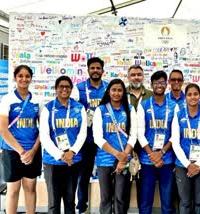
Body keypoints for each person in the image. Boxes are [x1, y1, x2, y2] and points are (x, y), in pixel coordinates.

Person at [40, 75, 87, 213]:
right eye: (61, 86)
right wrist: (61, 155)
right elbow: (44, 135)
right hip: (52, 161)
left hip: (73, 160)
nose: (64, 89)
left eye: (67, 86)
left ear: (72, 89)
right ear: (56, 89)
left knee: (70, 200)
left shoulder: (79, 108)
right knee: (53, 202)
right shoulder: (48, 108)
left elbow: (82, 133)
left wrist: (71, 153)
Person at [0, 65, 42, 214]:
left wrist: (33, 151)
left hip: (33, 151)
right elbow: (3, 129)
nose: (24, 79)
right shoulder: (7, 99)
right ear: (15, 78)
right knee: (13, 190)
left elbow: (43, 129)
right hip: (12, 151)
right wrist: (22, 152)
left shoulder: (37, 100)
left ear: (31, 78)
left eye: (27, 76)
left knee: (30, 189)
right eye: (20, 76)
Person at [93, 79, 137, 214]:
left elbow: (133, 135)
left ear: (124, 92)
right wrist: (118, 155)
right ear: (109, 92)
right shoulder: (100, 110)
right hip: (104, 160)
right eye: (114, 90)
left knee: (120, 197)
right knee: (106, 197)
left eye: (119, 90)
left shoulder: (130, 109)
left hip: (124, 160)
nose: (116, 93)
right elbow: (98, 138)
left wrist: (123, 159)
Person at [170, 83, 200, 213]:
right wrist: (188, 164)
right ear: (185, 97)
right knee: (184, 202)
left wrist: (198, 164)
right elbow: (175, 142)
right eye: (189, 94)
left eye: (195, 94)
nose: (193, 97)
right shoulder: (178, 115)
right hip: (182, 165)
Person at [71, 57, 109, 213]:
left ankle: (108, 207)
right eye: (92, 68)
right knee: (84, 176)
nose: (95, 70)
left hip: (105, 140)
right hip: (85, 140)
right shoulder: (78, 88)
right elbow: (72, 113)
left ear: (102, 70)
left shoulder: (109, 88)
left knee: (107, 176)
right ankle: (82, 207)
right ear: (88, 70)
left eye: (98, 68)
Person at [137, 70, 176, 214]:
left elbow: (175, 135)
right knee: (145, 200)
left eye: (162, 82)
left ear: (166, 84)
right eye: (156, 82)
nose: (159, 85)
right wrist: (152, 154)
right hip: (148, 160)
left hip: (167, 159)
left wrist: (162, 153)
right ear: (151, 85)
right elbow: (140, 134)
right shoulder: (144, 105)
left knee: (167, 200)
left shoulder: (174, 106)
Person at [126, 64, 152, 209]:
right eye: (133, 74)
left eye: (139, 74)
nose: (136, 77)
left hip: (144, 144)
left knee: (144, 185)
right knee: (124, 185)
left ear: (143, 77)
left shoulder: (150, 95)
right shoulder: (120, 93)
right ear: (128, 77)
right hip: (126, 144)